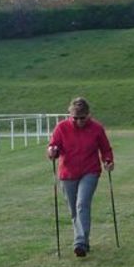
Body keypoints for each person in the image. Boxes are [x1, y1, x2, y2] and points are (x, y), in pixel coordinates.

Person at [47, 97, 115, 258]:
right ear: (70, 115)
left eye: (82, 118)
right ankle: (84, 240)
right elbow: (53, 146)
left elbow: (106, 149)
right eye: (75, 118)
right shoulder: (61, 127)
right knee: (74, 211)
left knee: (82, 204)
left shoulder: (97, 128)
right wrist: (52, 151)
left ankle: (80, 243)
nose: (79, 121)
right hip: (67, 173)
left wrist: (108, 161)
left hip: (90, 171)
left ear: (89, 114)